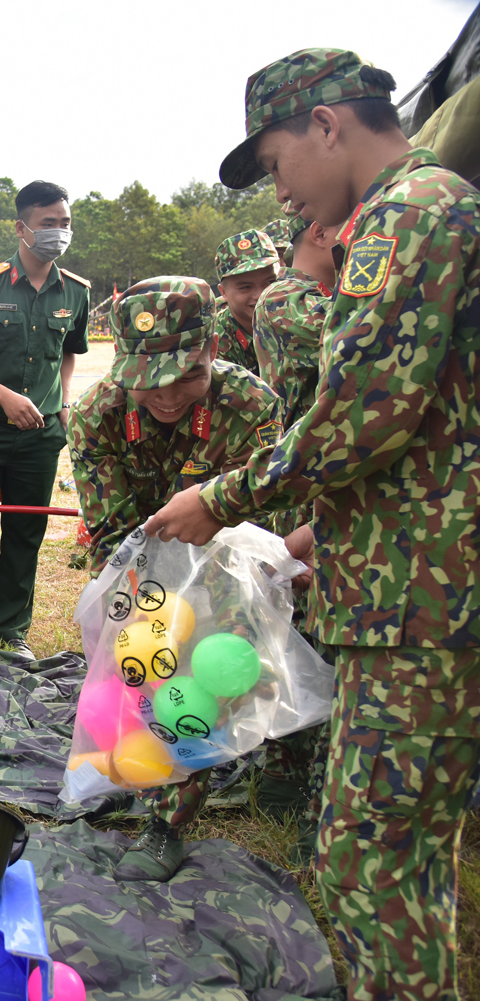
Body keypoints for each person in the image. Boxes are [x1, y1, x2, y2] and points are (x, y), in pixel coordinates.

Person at [145, 47, 480, 1001]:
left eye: (277, 163)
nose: (280, 196)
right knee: (391, 855)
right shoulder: (428, 209)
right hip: (415, 586)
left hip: (428, 606)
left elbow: (363, 416)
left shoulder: (407, 214)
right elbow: (433, 431)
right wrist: (309, 540)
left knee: (372, 863)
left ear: (327, 125)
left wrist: (222, 496)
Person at [69, 276, 292, 879]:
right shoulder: (98, 413)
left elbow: (255, 518)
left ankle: (167, 819)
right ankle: (126, 767)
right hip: (138, 555)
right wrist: (147, 607)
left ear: (212, 350)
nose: (166, 397)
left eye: (184, 377)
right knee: (132, 659)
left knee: (204, 674)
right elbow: (114, 529)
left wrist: (202, 606)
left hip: (224, 556)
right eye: (149, 380)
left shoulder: (249, 406)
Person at [0, 181, 90, 658]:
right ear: (22, 228)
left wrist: (64, 404)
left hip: (40, 436)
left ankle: (12, 630)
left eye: (64, 223)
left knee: (25, 533)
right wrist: (4, 397)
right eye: (49, 224)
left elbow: (68, 354)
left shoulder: (76, 292)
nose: (59, 232)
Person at [254, 213, 337, 427]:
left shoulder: (324, 293)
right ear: (319, 234)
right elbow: (360, 327)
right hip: (307, 452)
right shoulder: (282, 297)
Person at [210, 229, 280, 377]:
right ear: (223, 293)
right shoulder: (216, 342)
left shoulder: (293, 318)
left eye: (270, 283)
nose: (261, 295)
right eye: (245, 287)